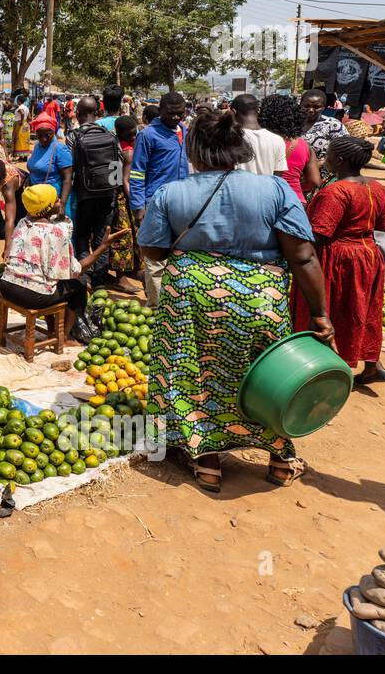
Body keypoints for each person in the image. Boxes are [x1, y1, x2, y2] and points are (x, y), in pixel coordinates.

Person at [136, 113, 332, 494]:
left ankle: (207, 463)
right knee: (267, 376)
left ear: (193, 152)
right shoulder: (275, 191)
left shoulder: (172, 193)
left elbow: (153, 250)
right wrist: (321, 314)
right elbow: (303, 256)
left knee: (192, 374)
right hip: (260, 296)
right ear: (239, 150)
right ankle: (279, 460)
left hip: (190, 298)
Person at [291, 137, 385, 386]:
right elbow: (384, 224)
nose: (324, 160)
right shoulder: (376, 187)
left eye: (328, 156)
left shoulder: (336, 192)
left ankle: (328, 367)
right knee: (365, 309)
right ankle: (372, 365)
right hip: (369, 255)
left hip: (340, 259)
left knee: (334, 310)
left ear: (339, 160)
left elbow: (320, 233)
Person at [0, 183, 129, 341]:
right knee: (79, 284)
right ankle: (64, 337)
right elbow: (77, 269)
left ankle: (53, 329)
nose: (60, 201)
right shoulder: (56, 232)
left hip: (6, 287)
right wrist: (103, 246)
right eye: (56, 200)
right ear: (47, 208)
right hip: (32, 297)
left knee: (49, 280)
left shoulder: (22, 222)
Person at [129, 91, 190, 305]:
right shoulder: (148, 135)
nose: (176, 118)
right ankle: (156, 308)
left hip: (182, 203)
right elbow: (137, 172)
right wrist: (138, 206)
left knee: (178, 256)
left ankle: (174, 304)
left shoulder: (184, 131)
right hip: (154, 204)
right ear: (161, 110)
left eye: (180, 114)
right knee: (155, 260)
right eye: (171, 113)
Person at [65, 95, 121, 287]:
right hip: (108, 194)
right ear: (97, 114)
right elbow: (118, 166)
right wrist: (113, 191)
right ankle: (99, 280)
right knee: (101, 238)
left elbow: (69, 168)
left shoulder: (73, 136)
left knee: (81, 234)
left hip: (83, 195)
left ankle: (84, 276)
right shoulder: (110, 135)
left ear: (78, 114)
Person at [259, 94, 320, 203]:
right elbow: (314, 181)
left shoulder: (260, 141)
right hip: (295, 201)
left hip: (266, 200)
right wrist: (293, 189)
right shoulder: (305, 146)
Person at [108, 115, 142, 288]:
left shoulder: (116, 145)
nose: (134, 136)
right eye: (131, 134)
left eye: (135, 132)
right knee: (124, 236)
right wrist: (134, 201)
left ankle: (133, 270)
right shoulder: (125, 151)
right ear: (121, 133)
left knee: (133, 235)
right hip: (126, 198)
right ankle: (120, 277)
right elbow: (123, 179)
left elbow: (114, 177)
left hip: (124, 195)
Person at [25, 112, 73, 217]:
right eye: (39, 135)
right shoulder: (37, 146)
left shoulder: (59, 148)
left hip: (53, 202)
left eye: (48, 135)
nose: (43, 139)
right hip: (37, 199)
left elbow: (67, 178)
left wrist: (62, 205)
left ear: (53, 131)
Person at [0, 156, 28, 259]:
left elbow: (9, 219)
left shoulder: (8, 186)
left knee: (19, 224)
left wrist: (8, 247)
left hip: (22, 191)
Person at [301, 88, 346, 181]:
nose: (310, 110)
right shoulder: (293, 123)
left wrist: (322, 162)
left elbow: (345, 148)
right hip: (297, 176)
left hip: (323, 176)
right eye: (306, 106)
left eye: (316, 107)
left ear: (324, 108)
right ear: (300, 105)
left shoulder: (332, 124)